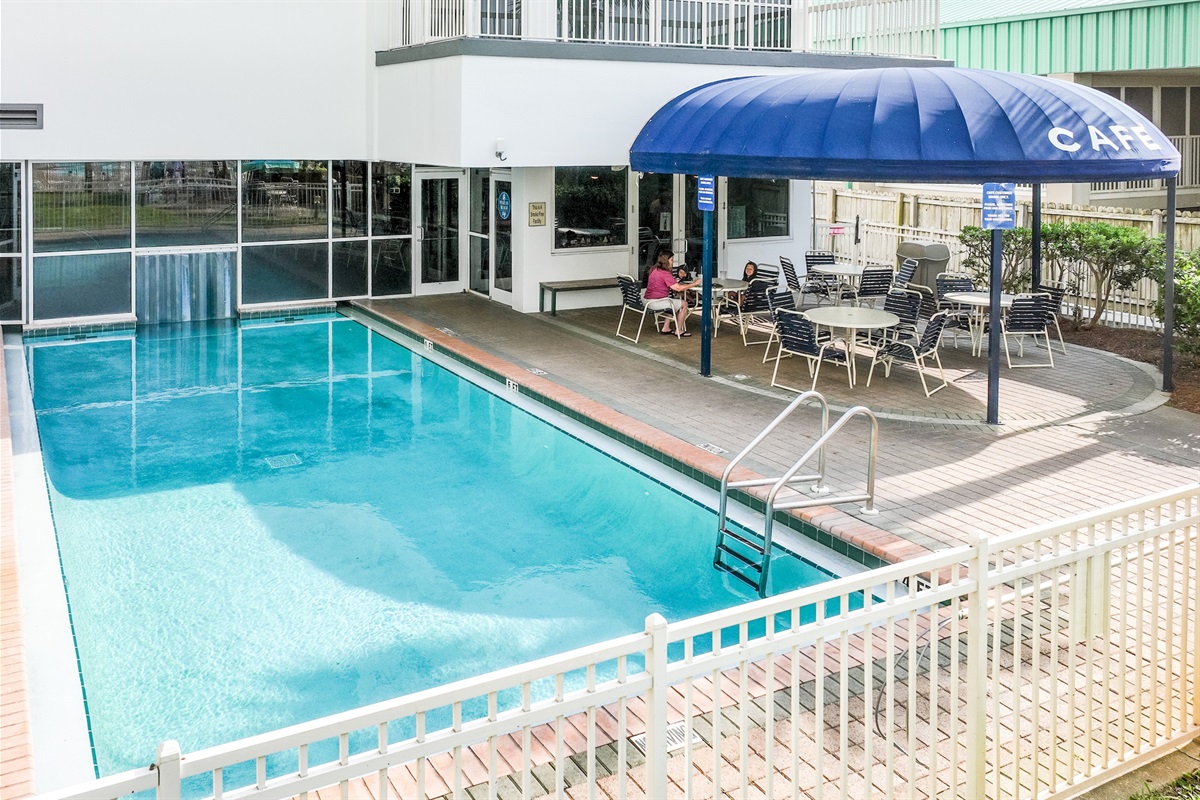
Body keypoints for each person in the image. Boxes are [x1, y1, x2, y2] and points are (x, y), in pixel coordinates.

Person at [645, 249, 700, 336]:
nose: (673, 262)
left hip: (648, 300)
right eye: (671, 260)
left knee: (671, 302)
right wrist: (694, 284)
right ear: (666, 260)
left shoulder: (654, 269)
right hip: (656, 302)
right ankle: (679, 330)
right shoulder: (665, 273)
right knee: (684, 304)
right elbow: (678, 288)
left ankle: (666, 328)